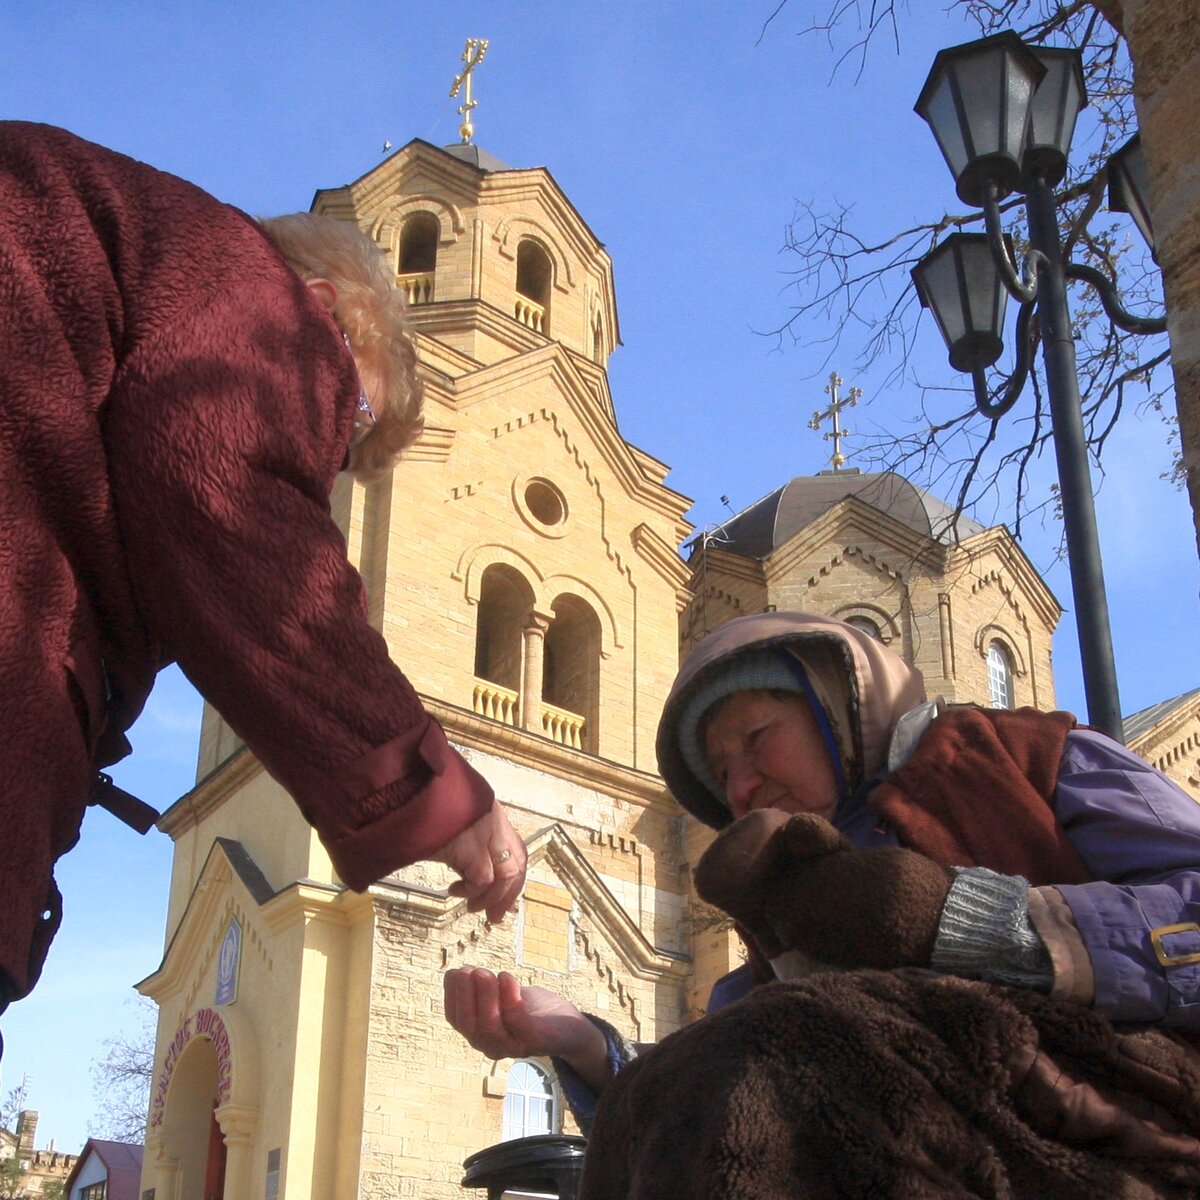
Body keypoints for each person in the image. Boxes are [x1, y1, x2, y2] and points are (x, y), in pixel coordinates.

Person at [0, 121, 527, 1033]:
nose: (322, 464)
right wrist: (431, 787)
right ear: (324, 305)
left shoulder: (115, 273)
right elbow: (222, 486)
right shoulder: (264, 303)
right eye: (349, 420)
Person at [445, 611, 1200, 1198]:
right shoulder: (784, 913)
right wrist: (582, 1045)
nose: (741, 786)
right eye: (720, 770)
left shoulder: (1020, 758)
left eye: (757, 737)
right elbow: (716, 1110)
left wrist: (978, 924)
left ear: (840, 705)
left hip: (1137, 1136)